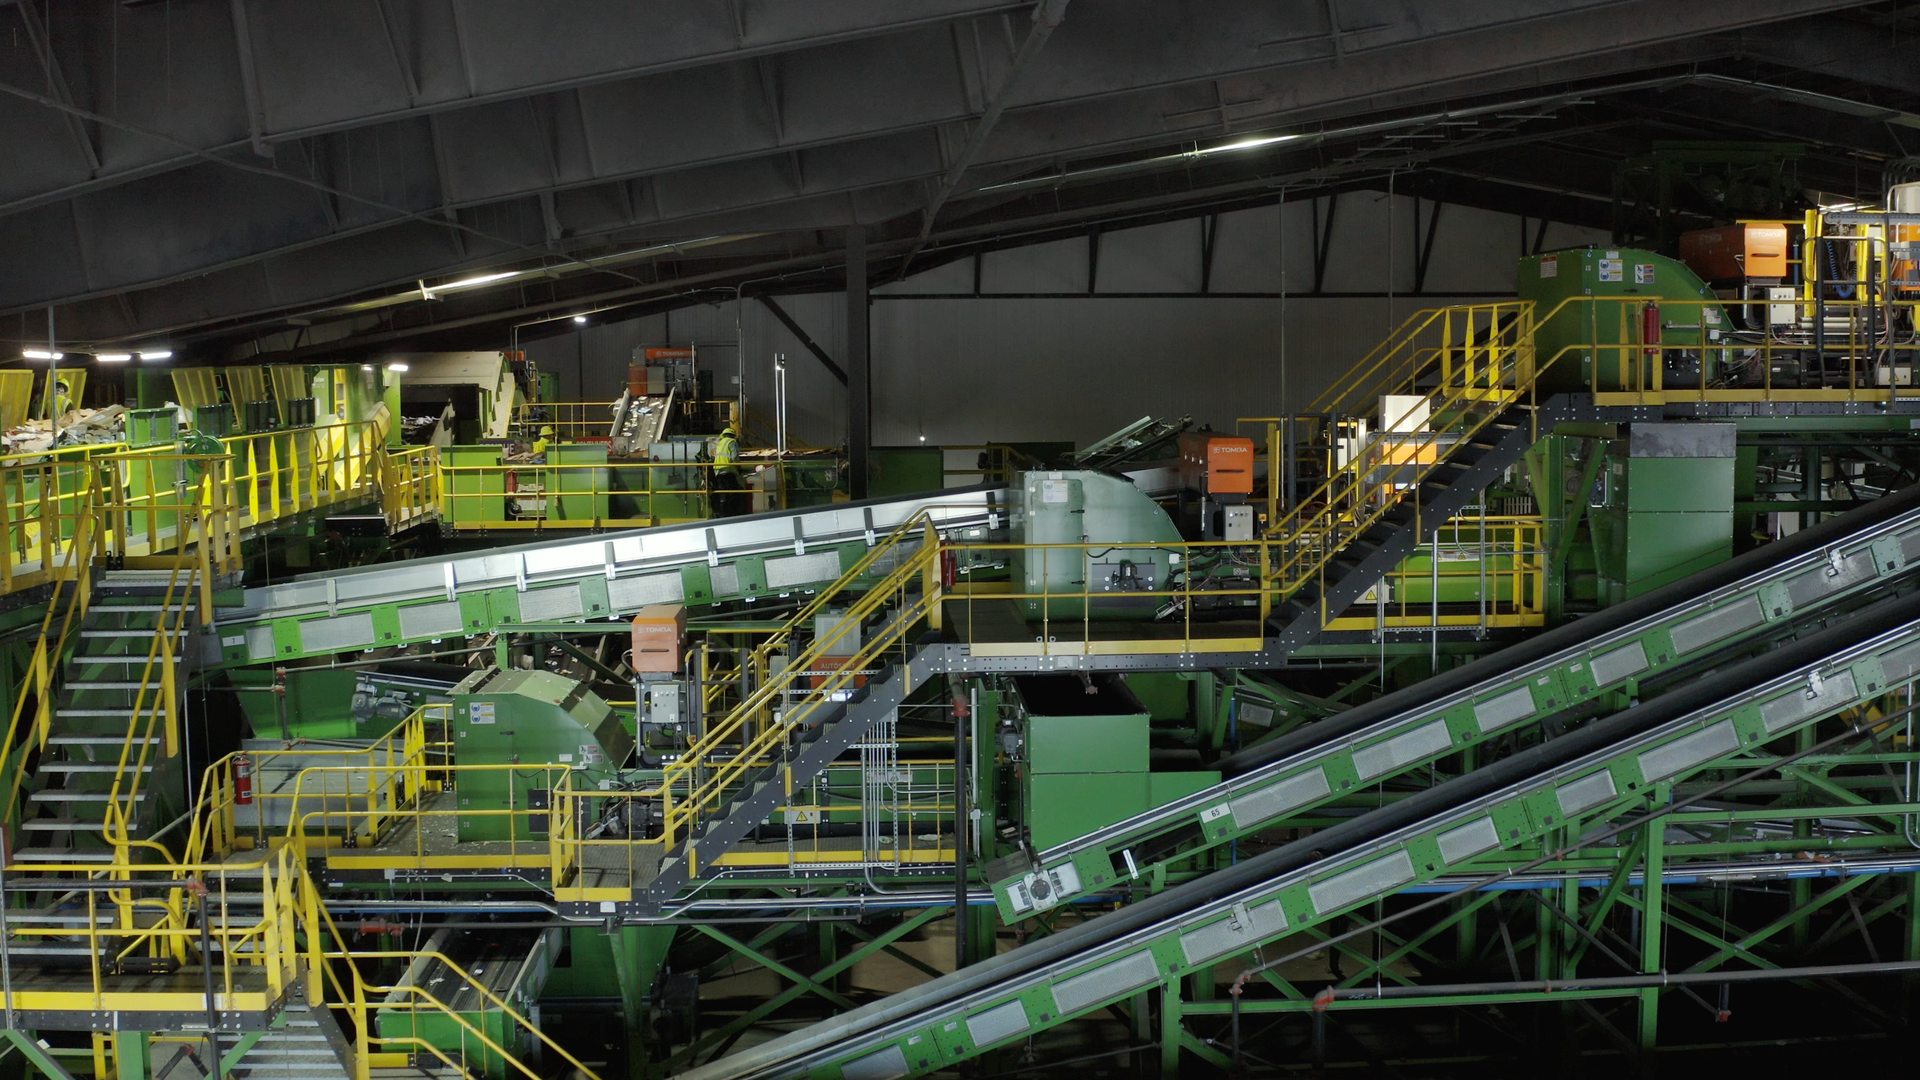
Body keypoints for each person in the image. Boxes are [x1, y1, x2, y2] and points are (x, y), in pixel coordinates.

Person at [711, 424, 742, 516]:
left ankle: (722, 513)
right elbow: (735, 457)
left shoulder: (720, 443)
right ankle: (731, 513)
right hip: (728, 469)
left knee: (723, 492)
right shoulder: (732, 442)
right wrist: (739, 468)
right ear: (733, 435)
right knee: (734, 491)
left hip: (718, 470)